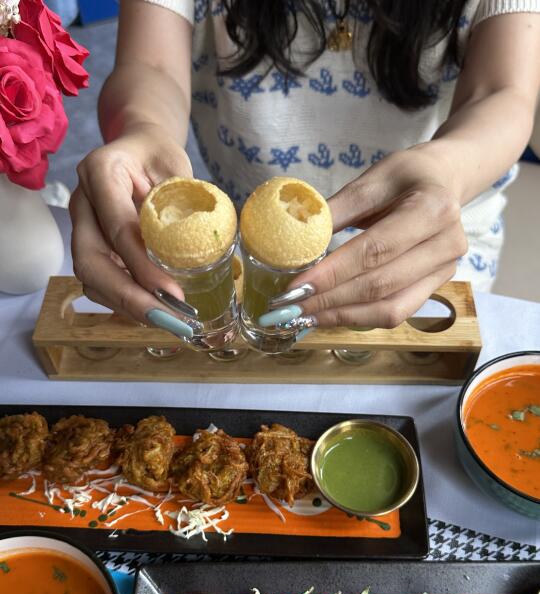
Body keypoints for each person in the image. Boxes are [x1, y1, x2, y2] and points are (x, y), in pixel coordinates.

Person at [70, 0, 540, 340]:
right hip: (240, 249)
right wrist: (143, 129)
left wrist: (445, 169)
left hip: (429, 243)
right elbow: (150, 64)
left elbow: (502, 92)